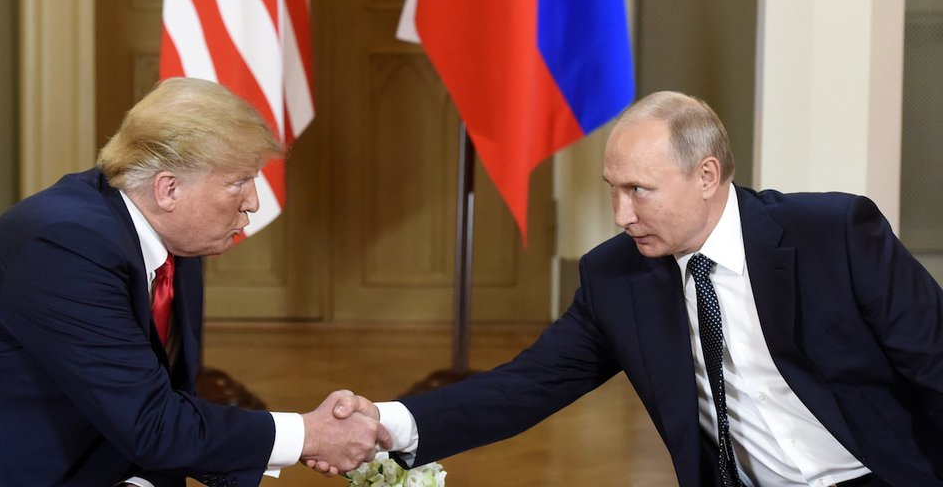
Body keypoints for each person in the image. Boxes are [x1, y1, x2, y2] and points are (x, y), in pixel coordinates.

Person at [328, 90, 943, 486]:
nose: (620, 215)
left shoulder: (831, 234)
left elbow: (935, 367)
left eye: (639, 191)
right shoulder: (616, 276)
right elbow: (527, 386)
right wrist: (387, 422)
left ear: (707, 176)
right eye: (611, 189)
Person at [0, 77, 388, 487]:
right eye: (238, 182)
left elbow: (162, 403)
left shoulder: (174, 242)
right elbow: (152, 422)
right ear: (168, 189)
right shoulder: (64, 245)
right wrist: (309, 434)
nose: (253, 203)